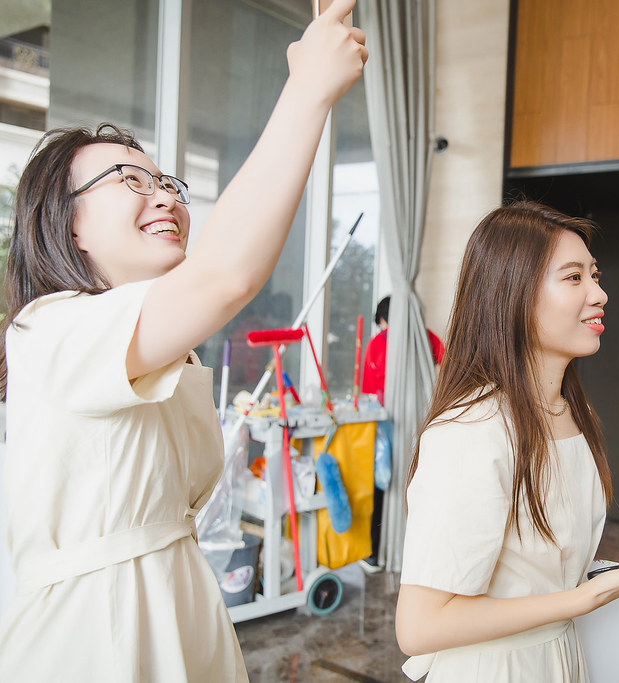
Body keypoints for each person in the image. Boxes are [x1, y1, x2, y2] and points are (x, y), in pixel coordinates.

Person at [0, 3, 367, 680]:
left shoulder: (171, 351)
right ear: (67, 224)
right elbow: (226, 273)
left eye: (168, 182)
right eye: (130, 182)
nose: (165, 196)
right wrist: (309, 88)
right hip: (94, 639)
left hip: (184, 617)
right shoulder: (47, 330)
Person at [395, 201, 619, 682]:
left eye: (595, 274)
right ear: (513, 295)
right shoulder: (474, 429)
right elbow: (420, 625)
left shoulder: (574, 413)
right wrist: (583, 598)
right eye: (574, 278)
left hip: (559, 658)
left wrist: (603, 581)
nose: (600, 293)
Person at [359, 295, 444, 573]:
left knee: (383, 487)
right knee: (420, 484)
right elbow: (443, 364)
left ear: (386, 320)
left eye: (382, 324)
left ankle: (375, 553)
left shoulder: (379, 344)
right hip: (423, 421)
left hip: (389, 424)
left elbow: (369, 392)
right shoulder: (425, 338)